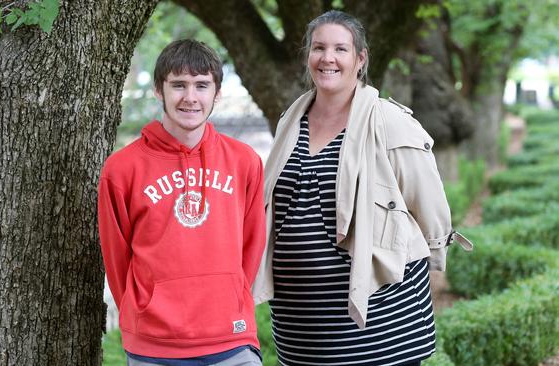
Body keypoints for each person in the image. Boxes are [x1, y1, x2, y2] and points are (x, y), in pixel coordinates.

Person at [251, 10, 473, 366]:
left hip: (378, 320)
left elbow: (428, 202)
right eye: (319, 47)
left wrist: (432, 254)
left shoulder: (389, 121)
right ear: (308, 55)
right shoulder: (289, 121)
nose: (328, 58)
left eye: (340, 48)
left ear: (361, 58)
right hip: (300, 327)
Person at [98, 39, 266, 365]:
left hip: (232, 338)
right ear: (159, 90)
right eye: (179, 85)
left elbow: (252, 244)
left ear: (217, 93)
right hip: (154, 346)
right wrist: (144, 308)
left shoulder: (244, 161)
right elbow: (116, 258)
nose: (190, 97)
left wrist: (230, 297)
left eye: (201, 85)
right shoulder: (122, 170)